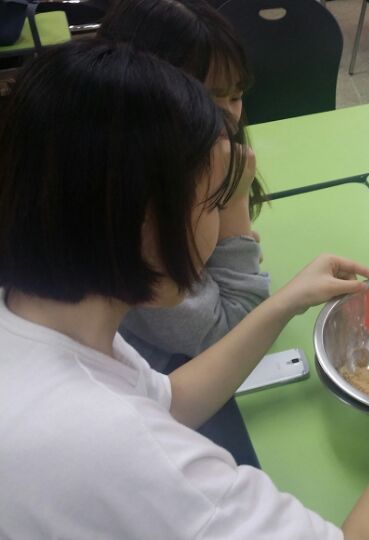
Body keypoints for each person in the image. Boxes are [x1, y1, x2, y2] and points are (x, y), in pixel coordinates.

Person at [0, 40, 369, 538]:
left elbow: (170, 400)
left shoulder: (39, 318)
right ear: (142, 218)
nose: (219, 225)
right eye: (213, 203)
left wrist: (284, 303)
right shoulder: (130, 453)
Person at [98, 0, 267, 464]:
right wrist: (233, 206)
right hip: (178, 382)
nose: (229, 118)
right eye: (208, 98)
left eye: (235, 96)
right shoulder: (137, 220)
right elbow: (228, 330)